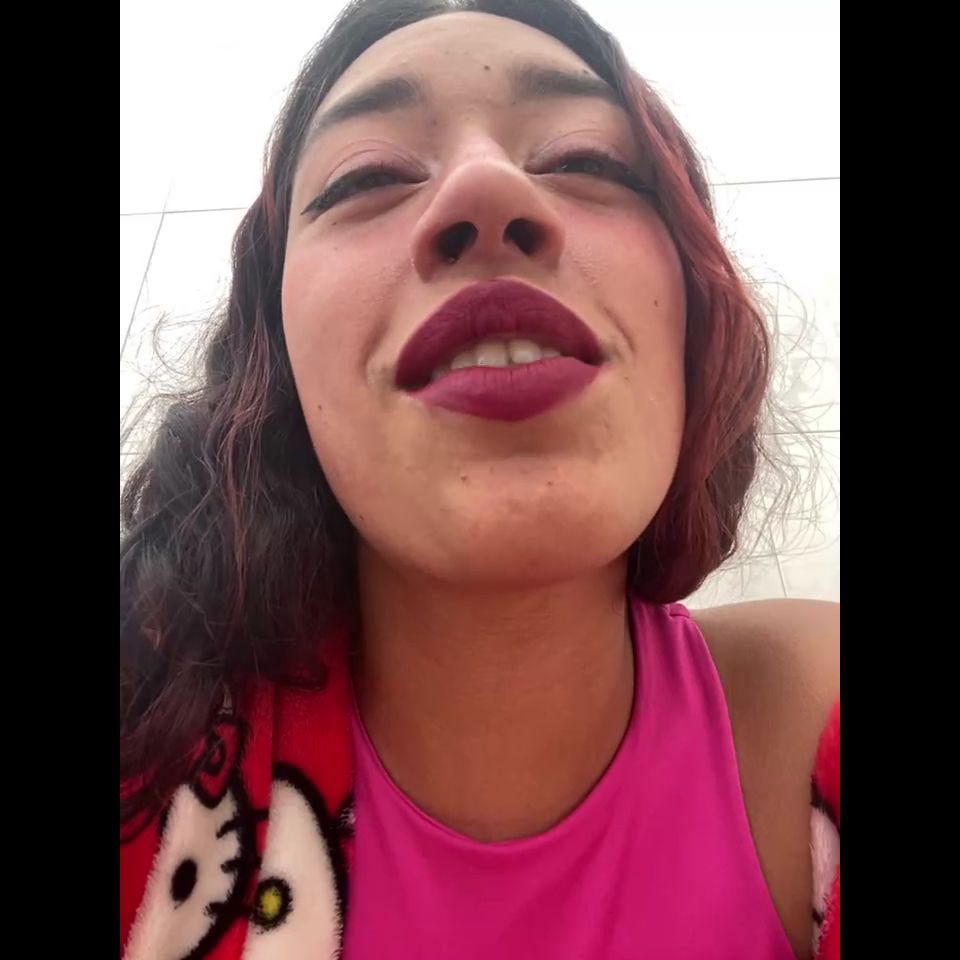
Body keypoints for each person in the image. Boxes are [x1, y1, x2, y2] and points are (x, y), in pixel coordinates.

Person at [119, 1, 840, 957]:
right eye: (368, 176)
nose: (487, 189)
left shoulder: (821, 702)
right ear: (276, 360)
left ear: (694, 323)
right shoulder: (142, 725)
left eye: (587, 160)